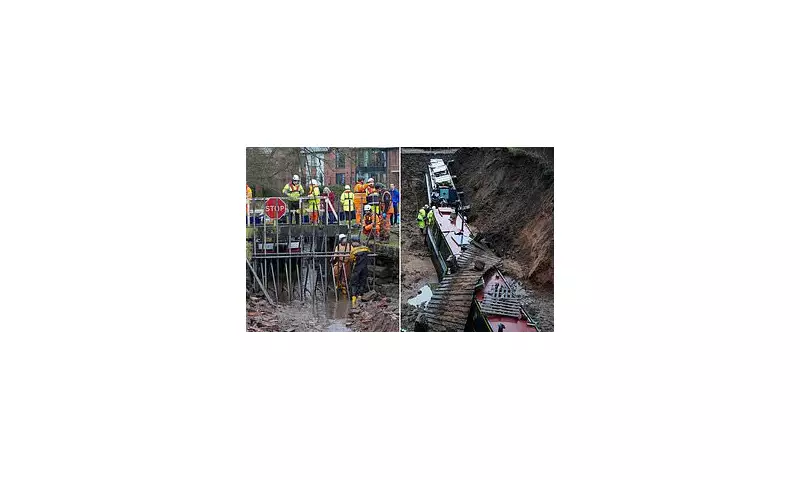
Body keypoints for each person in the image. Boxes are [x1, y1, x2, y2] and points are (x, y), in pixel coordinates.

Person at [349, 239, 371, 306]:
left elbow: (351, 259)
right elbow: (369, 252)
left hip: (357, 269)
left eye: (353, 242)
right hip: (364, 269)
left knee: (354, 283)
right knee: (362, 283)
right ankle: (360, 297)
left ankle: (353, 299)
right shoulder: (366, 248)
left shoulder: (353, 250)